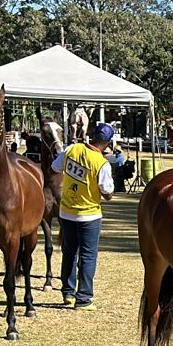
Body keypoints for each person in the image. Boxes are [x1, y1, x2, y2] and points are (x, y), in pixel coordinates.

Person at [52, 122, 116, 311]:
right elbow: (108, 193)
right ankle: (84, 298)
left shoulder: (72, 149)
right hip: (88, 215)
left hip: (66, 211)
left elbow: (55, 167)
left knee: (69, 252)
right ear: (108, 142)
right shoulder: (101, 163)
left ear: (92, 135)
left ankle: (68, 293)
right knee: (88, 256)